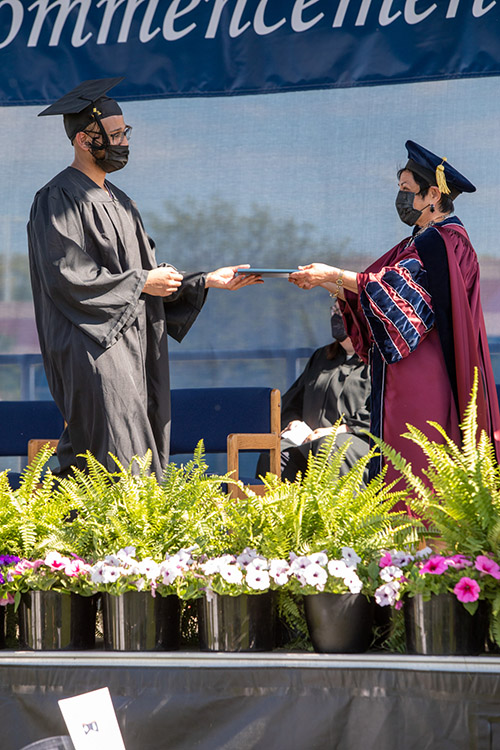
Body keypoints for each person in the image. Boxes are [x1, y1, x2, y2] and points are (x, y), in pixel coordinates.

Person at [27, 78, 262, 478]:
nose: (124, 142)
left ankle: (75, 538)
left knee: (126, 449)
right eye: (115, 134)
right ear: (85, 140)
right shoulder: (57, 198)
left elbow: (147, 274)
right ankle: (91, 540)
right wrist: (141, 283)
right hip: (94, 346)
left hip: (133, 343)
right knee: (111, 453)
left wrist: (204, 281)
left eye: (125, 133)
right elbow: (68, 275)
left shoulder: (122, 202)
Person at [289, 141, 500, 489]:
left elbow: (394, 293)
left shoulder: (445, 243)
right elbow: (371, 292)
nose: (400, 197)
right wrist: (328, 284)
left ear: (433, 193)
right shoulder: (415, 242)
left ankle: (424, 545)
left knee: (418, 470)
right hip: (401, 377)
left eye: (406, 189)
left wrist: (331, 275)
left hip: (429, 373)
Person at [256, 302, 371, 482]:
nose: (338, 316)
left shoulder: (379, 361)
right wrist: (294, 422)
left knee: (329, 447)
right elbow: (294, 401)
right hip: (308, 441)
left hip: (357, 441)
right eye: (335, 311)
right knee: (275, 453)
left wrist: (339, 430)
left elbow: (386, 411)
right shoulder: (323, 357)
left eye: (345, 311)